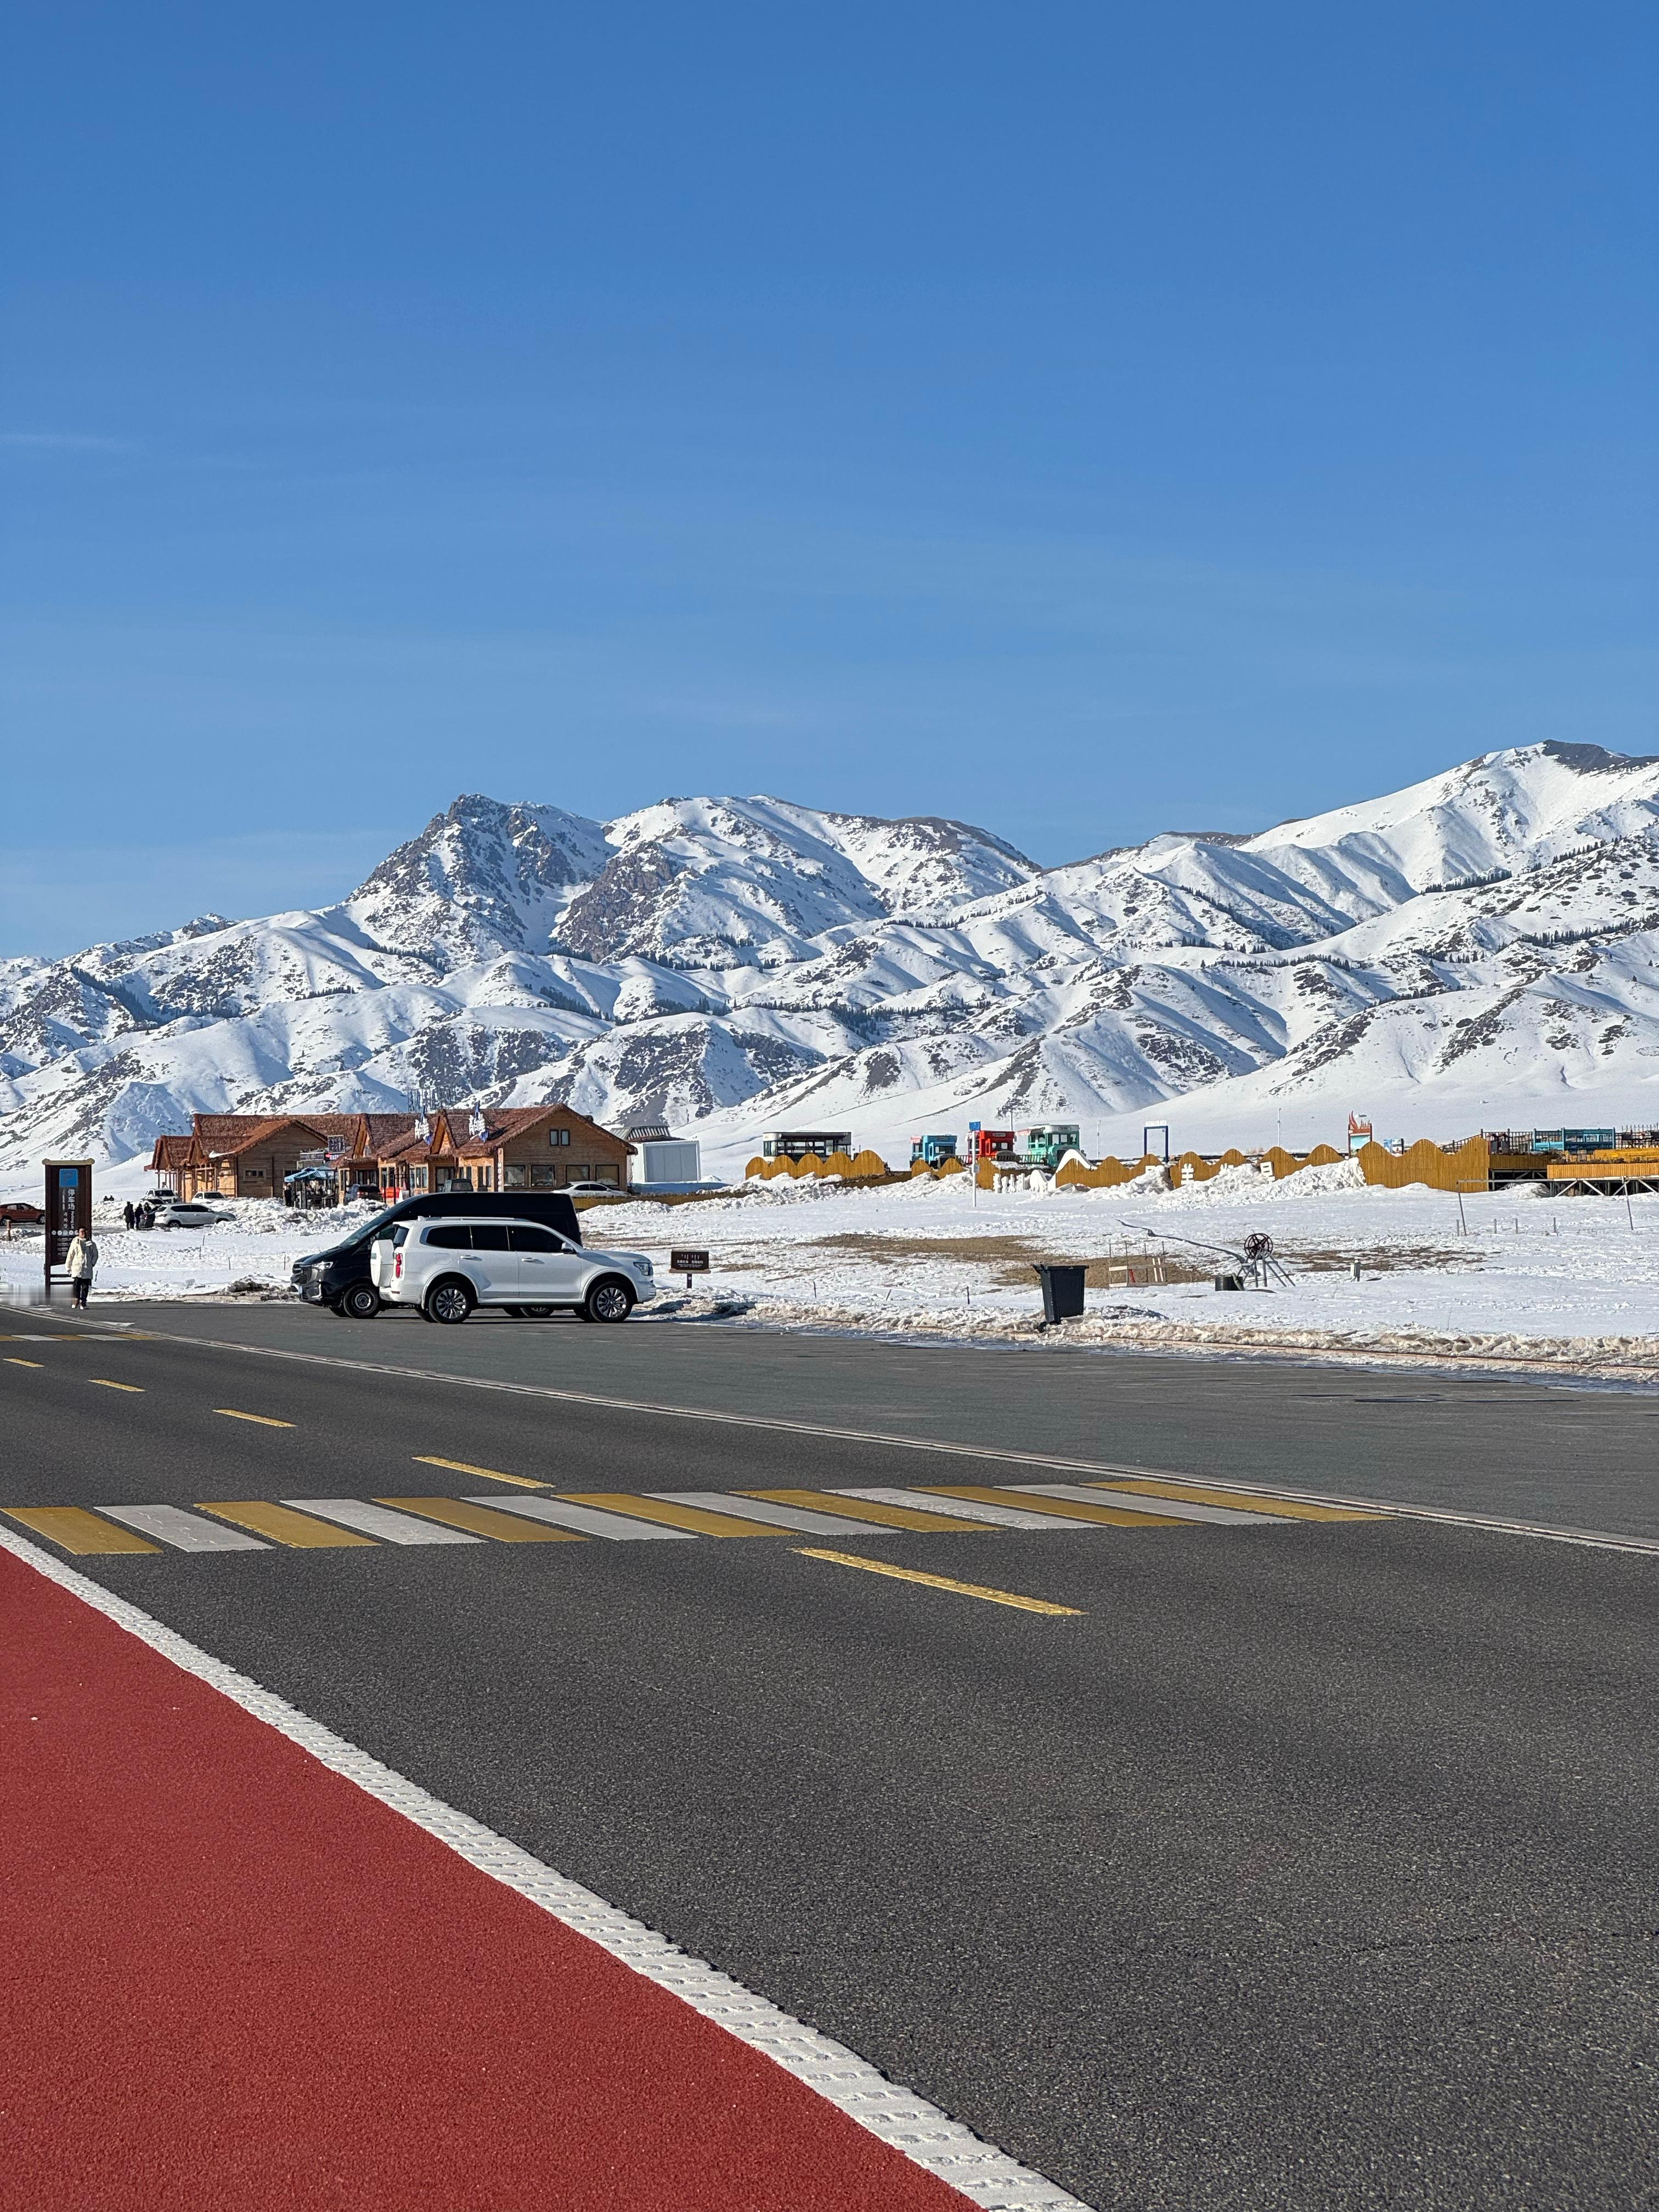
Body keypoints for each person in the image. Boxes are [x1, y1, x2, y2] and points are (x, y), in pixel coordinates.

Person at [66, 1226, 99, 1308]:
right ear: (79, 1233)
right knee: (76, 1285)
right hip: (77, 1267)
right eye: (82, 1232)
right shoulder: (75, 1242)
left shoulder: (91, 1244)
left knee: (85, 1286)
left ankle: (83, 1303)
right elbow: (70, 1255)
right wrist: (68, 1266)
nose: (83, 1233)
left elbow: (95, 1255)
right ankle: (76, 1300)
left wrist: (92, 1263)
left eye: (85, 1232)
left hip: (87, 1268)